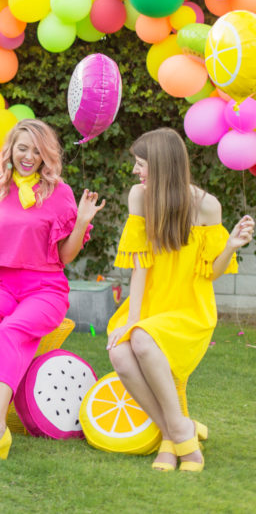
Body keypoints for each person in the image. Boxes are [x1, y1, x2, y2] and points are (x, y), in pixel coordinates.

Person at [0, 118, 105, 465]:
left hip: (45, 287)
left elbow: (64, 257)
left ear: (45, 155)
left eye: (37, 151)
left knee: (9, 332)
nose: (29, 156)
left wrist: (81, 221)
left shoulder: (60, 193)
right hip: (4, 284)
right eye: (23, 148)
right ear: (11, 149)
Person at [106, 127, 255, 473]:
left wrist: (230, 246)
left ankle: (175, 439)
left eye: (140, 164)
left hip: (190, 309)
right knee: (120, 350)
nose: (135, 172)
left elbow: (211, 273)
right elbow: (141, 267)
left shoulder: (207, 206)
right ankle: (178, 431)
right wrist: (131, 319)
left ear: (162, 165)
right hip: (149, 304)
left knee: (142, 338)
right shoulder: (139, 197)